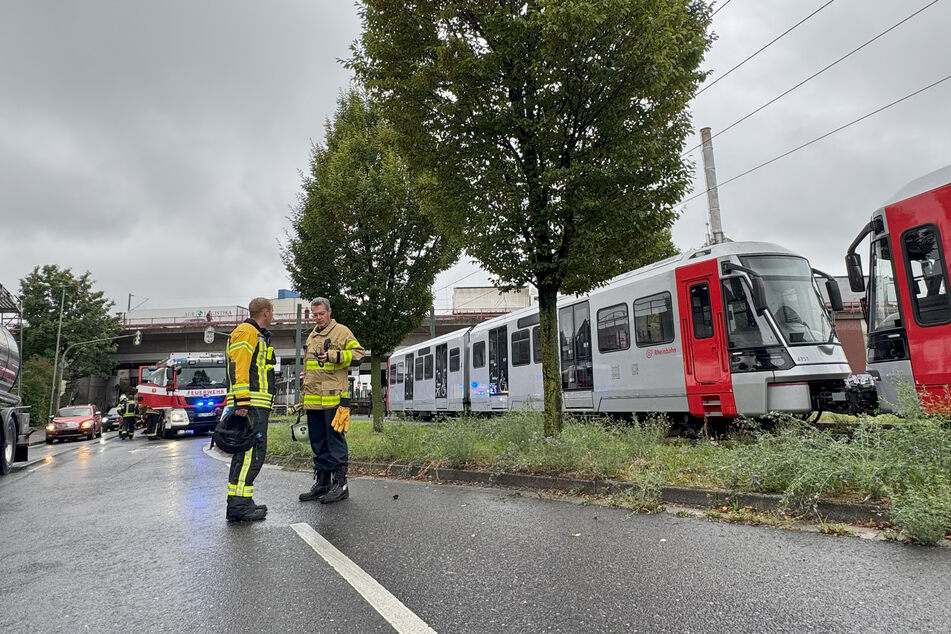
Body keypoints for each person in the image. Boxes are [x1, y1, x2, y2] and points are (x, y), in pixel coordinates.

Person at [299, 297, 364, 504]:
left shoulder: (342, 331)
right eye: (314, 315)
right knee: (318, 442)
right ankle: (323, 483)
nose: (317, 318)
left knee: (335, 441)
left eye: (321, 314)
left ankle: (340, 485)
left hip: (333, 398)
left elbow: (359, 355)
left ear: (329, 312)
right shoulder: (312, 336)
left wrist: (334, 356)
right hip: (312, 400)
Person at [224, 297, 276, 522]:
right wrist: (243, 401)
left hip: (255, 403)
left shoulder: (254, 334)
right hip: (250, 404)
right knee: (250, 454)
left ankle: (241, 501)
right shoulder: (247, 332)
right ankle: (239, 506)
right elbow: (240, 366)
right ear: (266, 312)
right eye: (272, 312)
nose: (272, 316)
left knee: (246, 454)